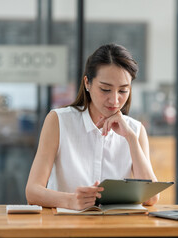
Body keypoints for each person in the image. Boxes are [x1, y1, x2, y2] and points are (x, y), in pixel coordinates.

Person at [25, 43, 159, 210]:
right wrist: (70, 200)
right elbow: (32, 192)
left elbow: (151, 198)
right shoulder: (59, 121)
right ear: (87, 83)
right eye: (105, 89)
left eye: (123, 91)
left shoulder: (135, 130)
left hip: (115, 230)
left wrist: (131, 139)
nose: (115, 100)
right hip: (66, 230)